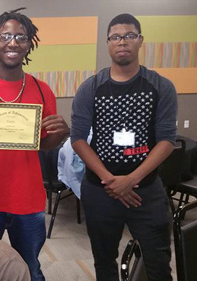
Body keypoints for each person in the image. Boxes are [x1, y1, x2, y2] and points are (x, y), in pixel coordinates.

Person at [0, 8, 69, 281]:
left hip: (28, 201)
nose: (13, 42)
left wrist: (61, 134)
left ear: (29, 43)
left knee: (29, 268)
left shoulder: (42, 90)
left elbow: (44, 145)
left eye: (21, 36)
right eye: (5, 36)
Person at [70, 13, 176, 281]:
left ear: (140, 41)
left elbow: (166, 140)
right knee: (104, 261)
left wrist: (131, 180)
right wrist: (111, 181)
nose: (122, 42)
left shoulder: (160, 86)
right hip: (100, 190)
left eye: (129, 36)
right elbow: (78, 139)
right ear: (108, 43)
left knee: (158, 261)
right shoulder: (90, 88)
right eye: (116, 37)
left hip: (146, 191)